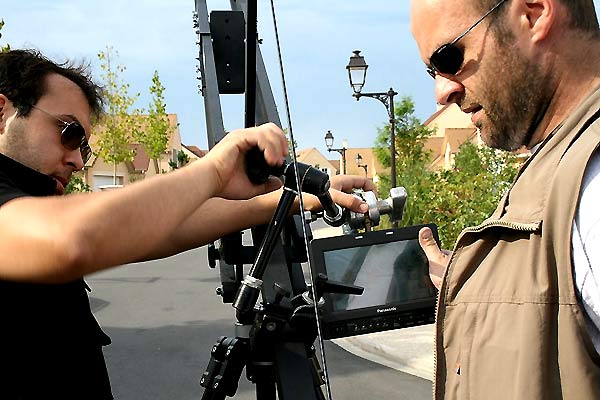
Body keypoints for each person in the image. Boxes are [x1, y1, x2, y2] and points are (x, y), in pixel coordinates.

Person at [0, 49, 374, 399]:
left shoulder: (29, 207)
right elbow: (69, 238)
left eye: (83, 147)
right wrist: (211, 170)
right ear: (2, 113)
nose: (77, 161)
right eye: (69, 134)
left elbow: (164, 227)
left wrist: (302, 197)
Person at [410, 0, 600, 398]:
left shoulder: (592, 182)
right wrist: (477, 286)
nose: (442, 91)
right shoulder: (561, 160)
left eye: (449, 57)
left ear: (534, 13)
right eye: (432, 70)